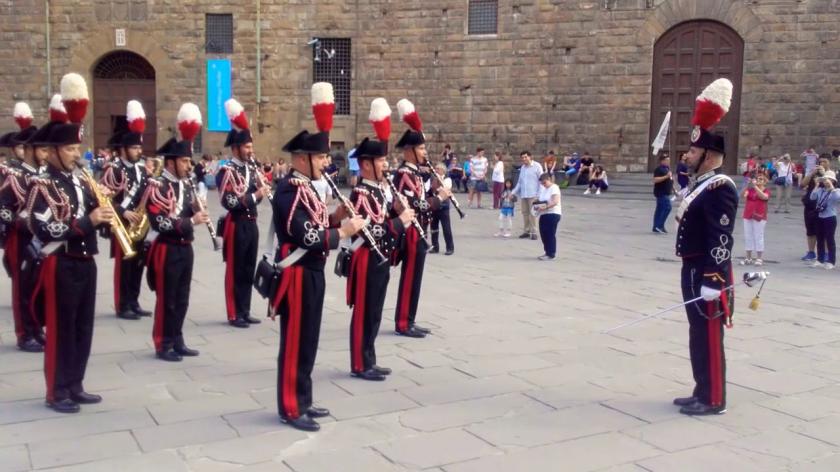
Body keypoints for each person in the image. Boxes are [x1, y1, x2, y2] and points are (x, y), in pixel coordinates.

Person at [269, 82, 366, 431]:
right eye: (321, 157)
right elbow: (304, 234)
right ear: (301, 159)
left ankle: (304, 398)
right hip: (297, 272)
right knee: (295, 340)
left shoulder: (308, 188)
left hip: (311, 272)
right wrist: (341, 232)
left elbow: (318, 221)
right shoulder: (288, 190)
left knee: (309, 337)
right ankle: (291, 407)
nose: (326, 163)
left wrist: (339, 216)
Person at [27, 73, 111, 413]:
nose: (77, 155)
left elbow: (93, 214)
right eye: (71, 149)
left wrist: (105, 208)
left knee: (82, 326)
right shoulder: (41, 183)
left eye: (78, 148)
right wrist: (85, 222)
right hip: (59, 262)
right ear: (53, 151)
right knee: (61, 328)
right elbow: (44, 227)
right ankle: (56, 390)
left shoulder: (80, 181)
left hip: (85, 261)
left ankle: (75, 383)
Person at [673, 78, 738, 416]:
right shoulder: (701, 185)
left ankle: (714, 399)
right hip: (692, 266)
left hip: (708, 271)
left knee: (710, 334)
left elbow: (721, 237)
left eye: (694, 151)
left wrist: (714, 278)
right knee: (697, 332)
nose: (687, 154)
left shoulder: (720, 187)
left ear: (710, 156)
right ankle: (701, 389)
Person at [346, 108, 413, 381]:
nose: (387, 165)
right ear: (366, 165)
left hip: (380, 257)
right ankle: (360, 363)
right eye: (381, 161)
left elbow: (383, 222)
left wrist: (397, 211)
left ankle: (369, 358)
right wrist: (400, 222)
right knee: (365, 310)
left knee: (375, 310)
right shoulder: (361, 193)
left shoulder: (377, 190)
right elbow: (371, 230)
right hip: (366, 258)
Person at [144, 103, 207, 362]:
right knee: (167, 299)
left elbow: (183, 212)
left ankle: (177, 338)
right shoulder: (157, 186)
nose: (188, 165)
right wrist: (191, 220)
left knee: (182, 298)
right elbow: (160, 223)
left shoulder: (186, 184)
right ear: (170, 162)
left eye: (188, 160)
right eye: (183, 161)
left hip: (185, 247)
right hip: (167, 248)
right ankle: (163, 342)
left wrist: (195, 207)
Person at [392, 98, 451, 338]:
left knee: (416, 277)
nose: (425, 153)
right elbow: (412, 204)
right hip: (410, 232)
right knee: (409, 277)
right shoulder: (405, 173)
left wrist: (434, 190)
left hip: (419, 230)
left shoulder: (416, 173)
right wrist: (438, 199)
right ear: (409, 151)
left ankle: (410, 318)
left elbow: (421, 197)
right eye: (421, 149)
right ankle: (403, 322)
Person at [0, 101, 47, 352]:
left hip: (41, 237)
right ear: (29, 149)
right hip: (20, 238)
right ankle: (23, 333)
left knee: (38, 285)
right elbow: (3, 208)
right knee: (22, 287)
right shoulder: (15, 176)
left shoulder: (44, 175)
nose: (45, 153)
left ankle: (36, 328)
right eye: (41, 148)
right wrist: (21, 219)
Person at [100, 100, 153, 321]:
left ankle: (134, 300)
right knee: (124, 267)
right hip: (122, 224)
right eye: (134, 148)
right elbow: (103, 197)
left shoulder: (142, 169)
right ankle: (122, 305)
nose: (138, 151)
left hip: (138, 224)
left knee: (138, 264)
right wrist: (123, 211)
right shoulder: (113, 169)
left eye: (139, 147)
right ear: (123, 149)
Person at [217, 98, 268, 328]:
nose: (250, 151)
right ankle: (233, 312)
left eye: (251, 147)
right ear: (236, 148)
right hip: (236, 224)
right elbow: (229, 201)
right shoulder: (226, 171)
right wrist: (257, 195)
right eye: (247, 147)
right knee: (234, 270)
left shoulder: (250, 169)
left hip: (251, 223)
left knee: (248, 268)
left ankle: (245, 310)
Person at [800, 156, 832, 262]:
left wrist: (823, 174)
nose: (822, 163)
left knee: (825, 231)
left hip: (824, 206)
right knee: (810, 230)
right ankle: (811, 252)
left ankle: (826, 253)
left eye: (825, 161)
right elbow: (802, 184)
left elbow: (833, 187)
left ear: (829, 163)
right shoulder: (814, 173)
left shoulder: (831, 174)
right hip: (810, 205)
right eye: (820, 161)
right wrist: (812, 173)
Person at [809, 170, 839, 270]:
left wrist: (831, 187)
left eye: (829, 180)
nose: (826, 181)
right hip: (820, 216)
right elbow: (812, 197)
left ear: (833, 181)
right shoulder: (820, 190)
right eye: (825, 179)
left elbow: (837, 198)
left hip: (830, 217)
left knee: (830, 239)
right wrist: (817, 185)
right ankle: (820, 259)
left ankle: (831, 261)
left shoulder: (836, 191)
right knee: (820, 238)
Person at [740, 174, 770, 266]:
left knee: (758, 236)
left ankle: (759, 258)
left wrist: (755, 187)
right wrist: (746, 185)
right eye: (757, 179)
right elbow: (742, 196)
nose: (758, 180)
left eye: (761, 179)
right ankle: (748, 257)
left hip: (759, 216)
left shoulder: (766, 190)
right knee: (748, 235)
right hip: (748, 214)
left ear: (765, 182)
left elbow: (764, 197)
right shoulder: (750, 190)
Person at [511, 151, 542, 240]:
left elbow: (541, 181)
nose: (524, 159)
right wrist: (513, 192)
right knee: (525, 213)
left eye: (525, 157)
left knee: (533, 214)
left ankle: (534, 232)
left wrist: (539, 195)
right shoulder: (523, 168)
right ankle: (526, 231)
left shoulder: (537, 166)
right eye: (522, 158)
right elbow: (520, 182)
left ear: (530, 157)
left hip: (533, 194)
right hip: (524, 194)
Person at [533, 173, 562, 260]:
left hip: (553, 213)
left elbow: (555, 201)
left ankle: (551, 253)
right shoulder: (544, 189)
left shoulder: (554, 188)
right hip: (544, 213)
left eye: (545, 182)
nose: (543, 185)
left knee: (550, 233)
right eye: (542, 183)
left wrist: (546, 207)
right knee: (543, 233)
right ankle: (547, 251)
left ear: (549, 179)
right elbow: (542, 200)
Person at [430, 163, 454, 255]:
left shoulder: (447, 179)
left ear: (443, 170)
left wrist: (439, 180)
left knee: (446, 228)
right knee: (434, 228)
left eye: (438, 169)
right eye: (435, 169)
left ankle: (450, 248)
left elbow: (445, 189)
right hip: (434, 205)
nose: (436, 170)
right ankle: (435, 247)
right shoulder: (433, 179)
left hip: (444, 206)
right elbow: (430, 189)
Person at [652, 154, 673, 233]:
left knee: (660, 209)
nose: (668, 162)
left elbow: (670, 180)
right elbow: (655, 180)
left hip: (666, 192)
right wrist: (666, 176)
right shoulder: (659, 169)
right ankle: (659, 225)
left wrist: (674, 190)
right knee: (667, 208)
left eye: (669, 160)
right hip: (661, 192)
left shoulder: (667, 169)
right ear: (662, 161)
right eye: (667, 160)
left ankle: (657, 226)